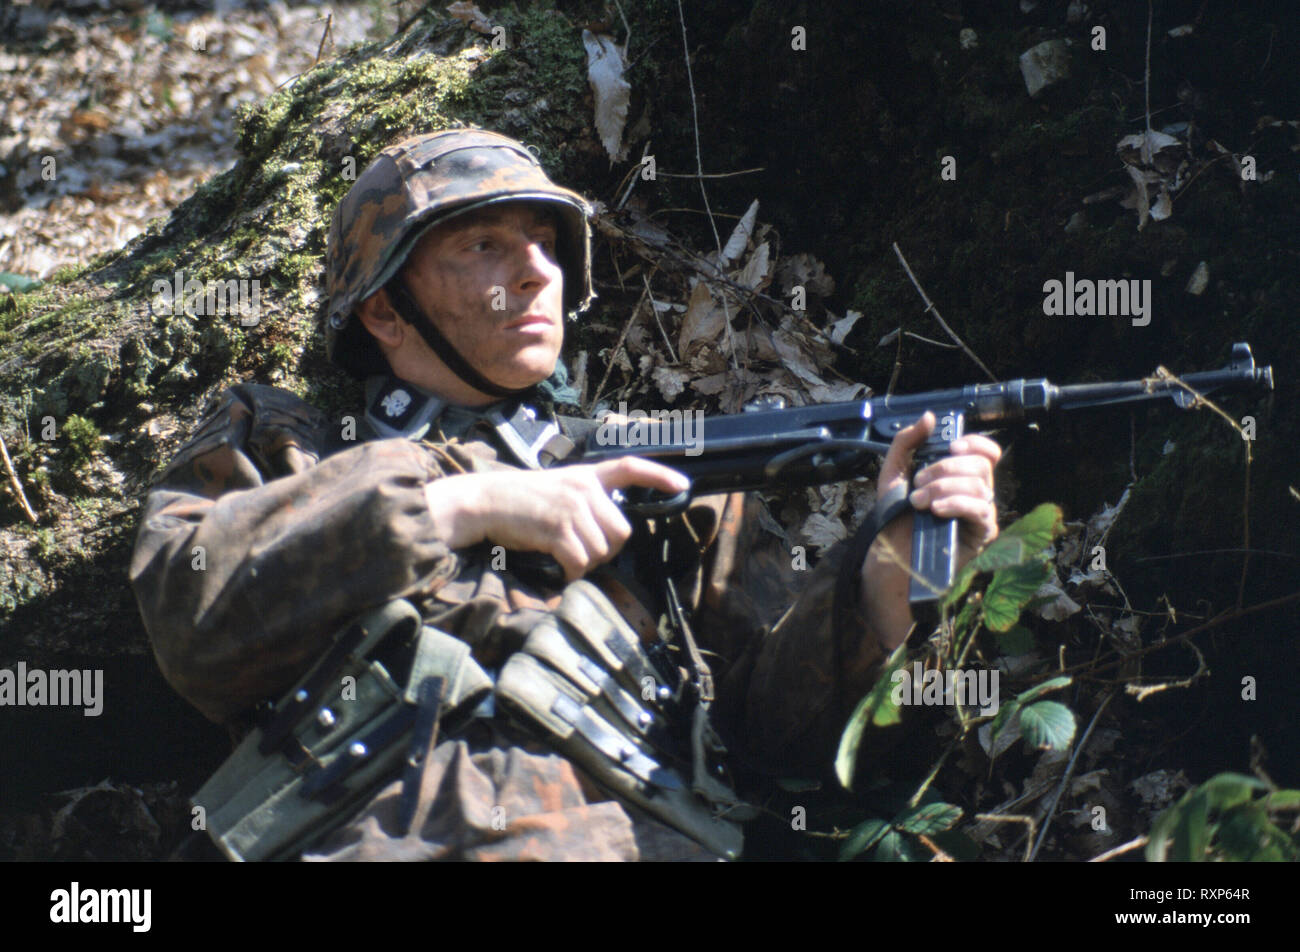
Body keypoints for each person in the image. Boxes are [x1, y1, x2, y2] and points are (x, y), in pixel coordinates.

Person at [129, 128, 1001, 861]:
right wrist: (462, 504)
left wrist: (881, 588)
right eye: (484, 246)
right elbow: (193, 617)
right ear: (385, 311)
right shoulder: (293, 452)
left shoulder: (667, 489)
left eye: (547, 243)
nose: (537, 271)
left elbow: (781, 751)